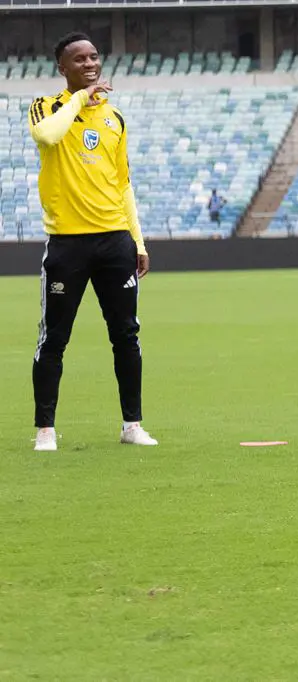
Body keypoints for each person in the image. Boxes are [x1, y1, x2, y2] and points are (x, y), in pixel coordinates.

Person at [28, 32, 156, 452]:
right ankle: (45, 430)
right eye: (78, 59)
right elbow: (48, 137)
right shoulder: (46, 108)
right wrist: (81, 98)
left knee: (126, 335)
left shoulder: (115, 119)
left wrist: (137, 240)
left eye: (94, 57)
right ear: (61, 67)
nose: (89, 64)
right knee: (55, 338)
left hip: (114, 242)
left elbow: (123, 186)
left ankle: (132, 425)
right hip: (67, 244)